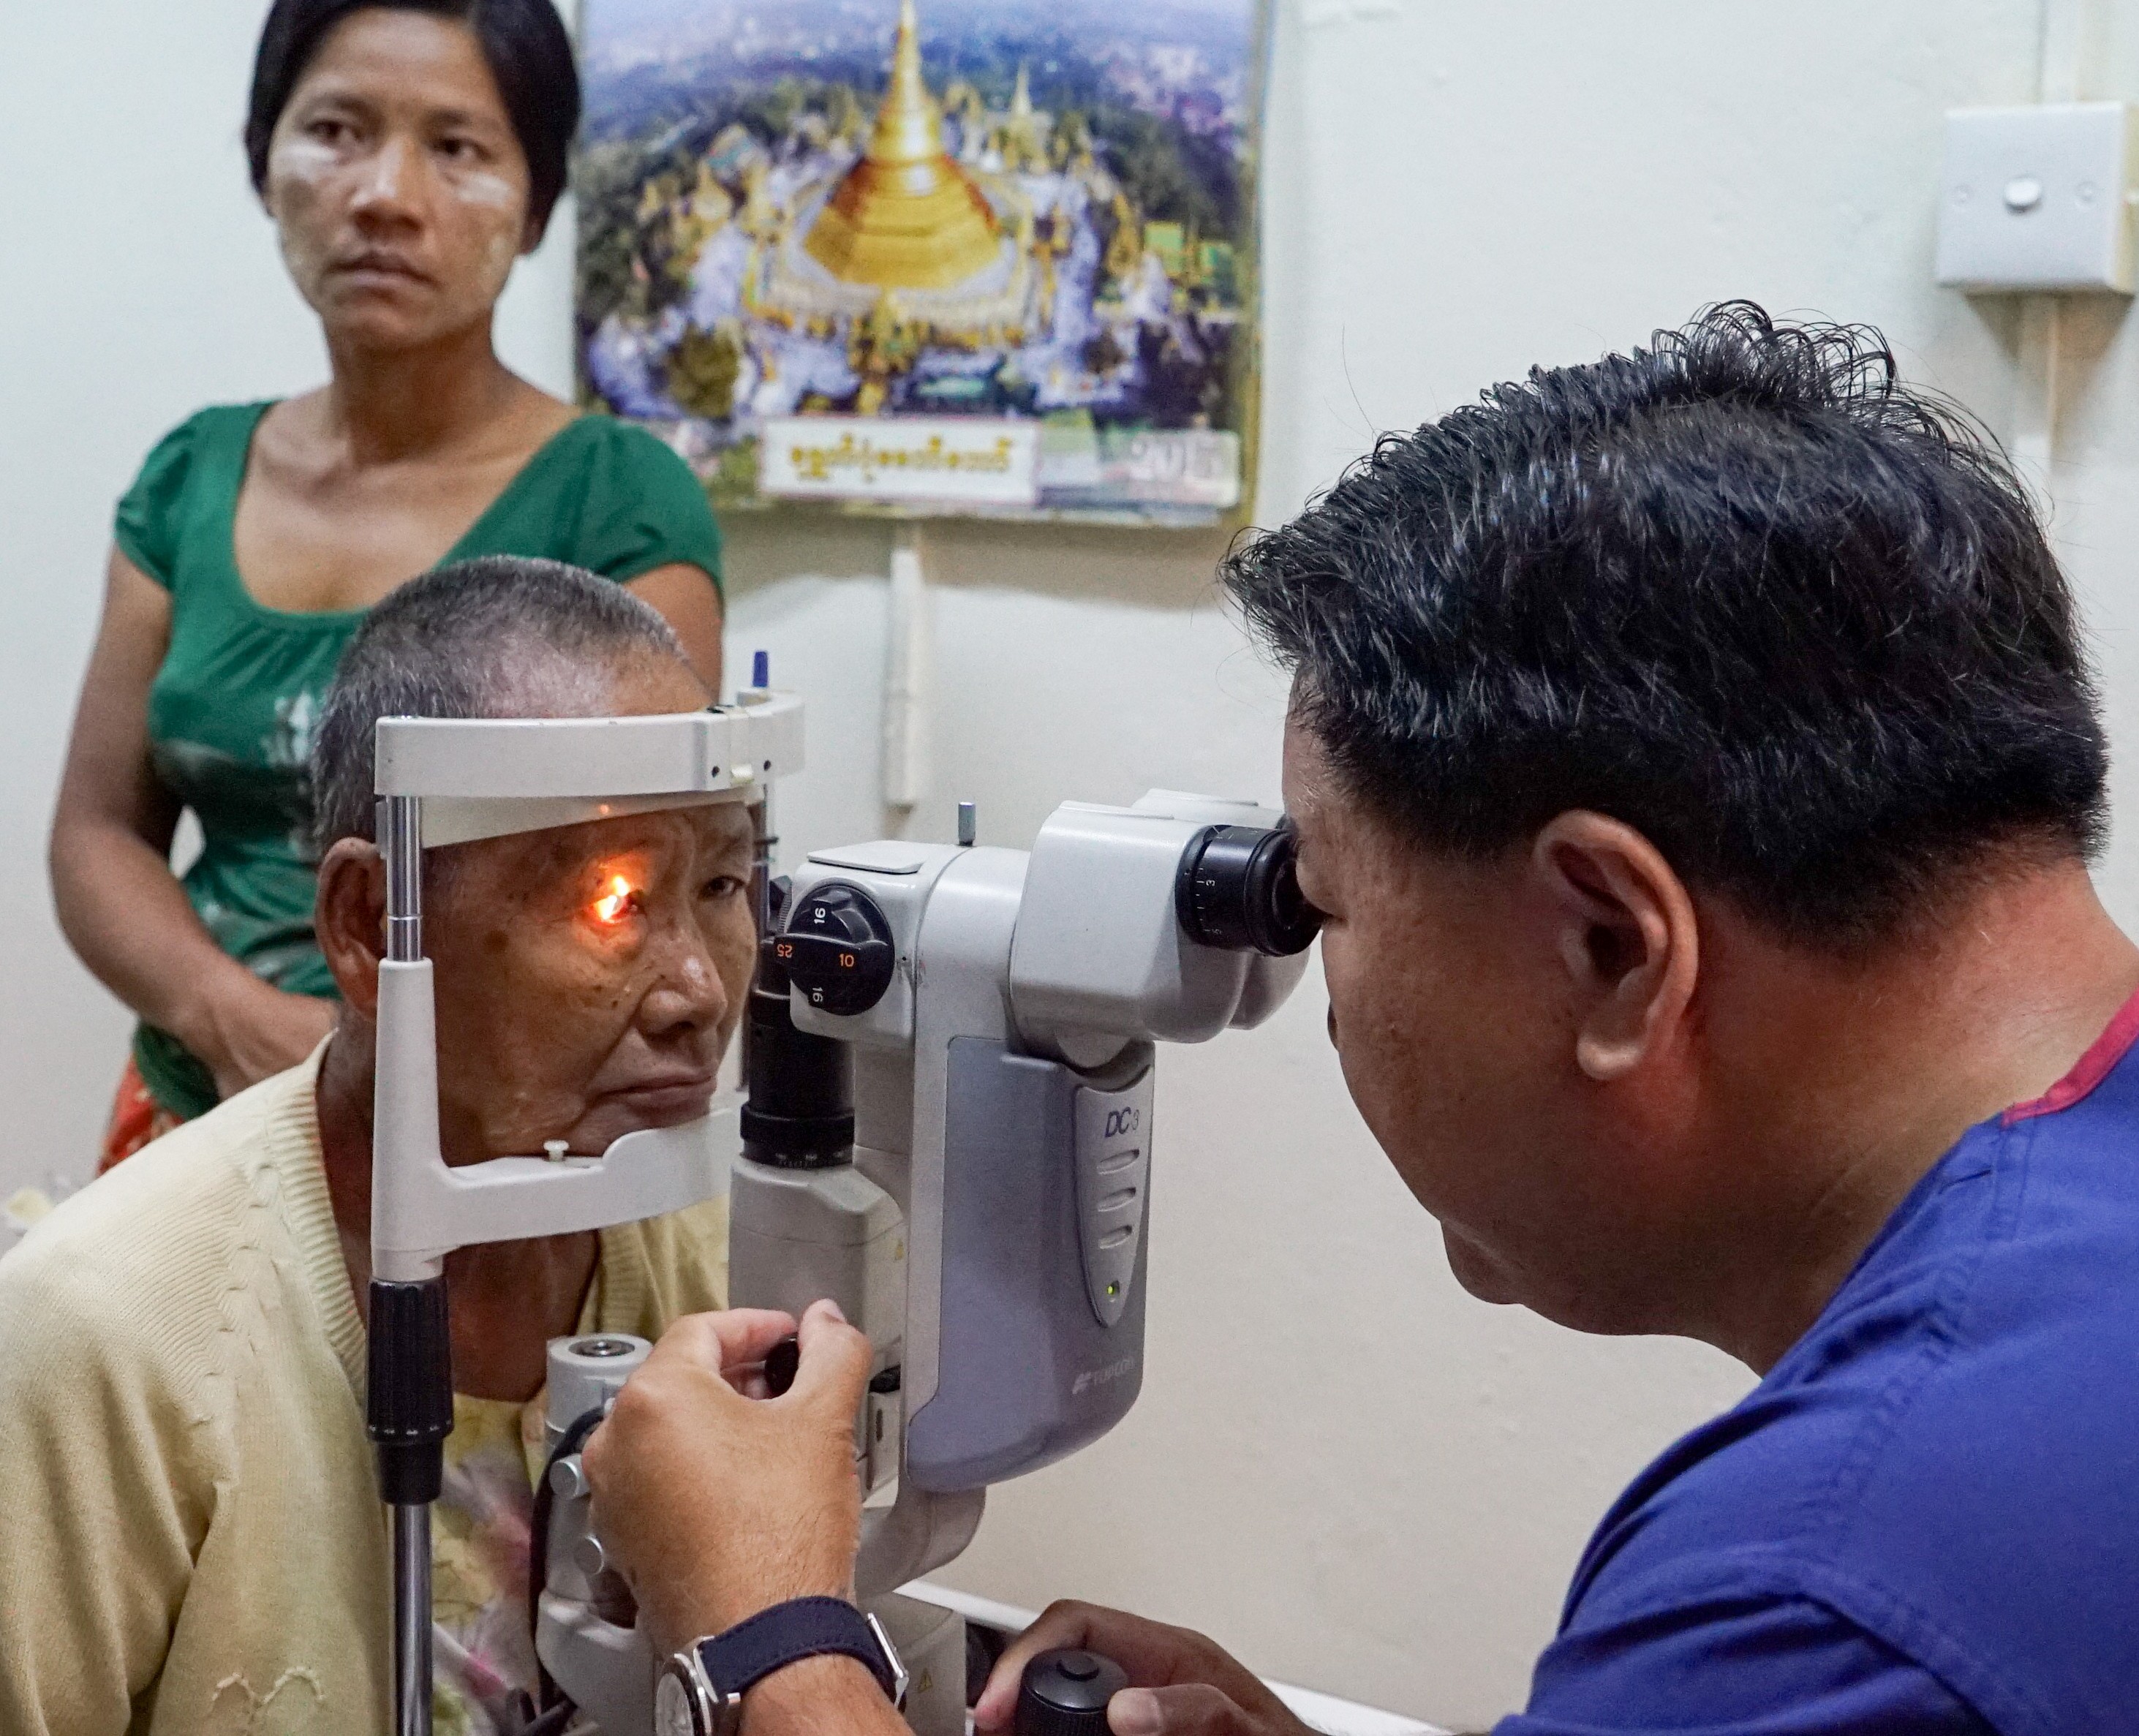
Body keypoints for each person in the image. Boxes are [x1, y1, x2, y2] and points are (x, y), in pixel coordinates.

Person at [578, 306, 2139, 1735]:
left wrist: (766, 1631)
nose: (1320, 1006)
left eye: (1321, 904)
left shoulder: (1829, 1587)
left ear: (1611, 943)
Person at [0, 559, 753, 1735]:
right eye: (611, 901)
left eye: (724, 881)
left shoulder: (730, 1251)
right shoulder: (108, 1338)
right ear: (366, 922)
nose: (698, 990)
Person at [52, 0, 726, 1168]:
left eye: (456, 147)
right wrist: (234, 1019)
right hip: (197, 1121)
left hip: (490, 1160)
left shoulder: (618, 500)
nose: (385, 196)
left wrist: (384, 1069)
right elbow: (97, 831)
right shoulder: (190, 478)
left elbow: (655, 877)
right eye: (336, 131)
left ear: (536, 205)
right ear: (264, 163)